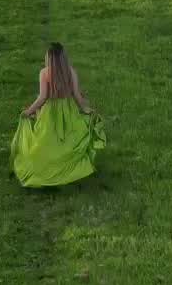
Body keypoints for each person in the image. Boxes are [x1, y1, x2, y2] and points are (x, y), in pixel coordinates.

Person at [9, 42, 106, 189]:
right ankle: (68, 169)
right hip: (68, 111)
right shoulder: (71, 71)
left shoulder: (44, 73)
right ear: (63, 58)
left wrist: (29, 111)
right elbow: (77, 95)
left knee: (47, 140)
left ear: (49, 58)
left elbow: (42, 98)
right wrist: (86, 109)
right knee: (68, 139)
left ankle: (46, 170)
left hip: (50, 113)